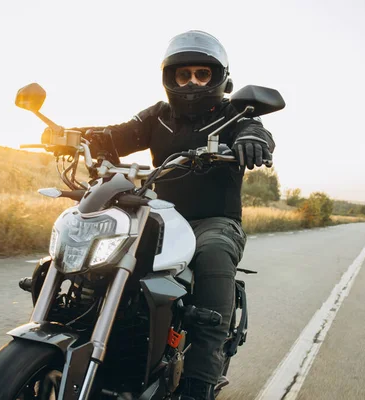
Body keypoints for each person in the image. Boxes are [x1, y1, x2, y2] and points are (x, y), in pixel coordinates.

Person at [45, 30, 276, 400]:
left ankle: (201, 379)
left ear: (219, 78)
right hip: (159, 217)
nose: (192, 83)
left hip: (212, 222)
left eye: (202, 74)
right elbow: (115, 135)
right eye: (183, 75)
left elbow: (254, 128)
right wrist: (78, 138)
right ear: (170, 78)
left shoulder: (234, 115)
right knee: (96, 247)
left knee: (214, 253)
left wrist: (255, 140)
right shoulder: (159, 116)